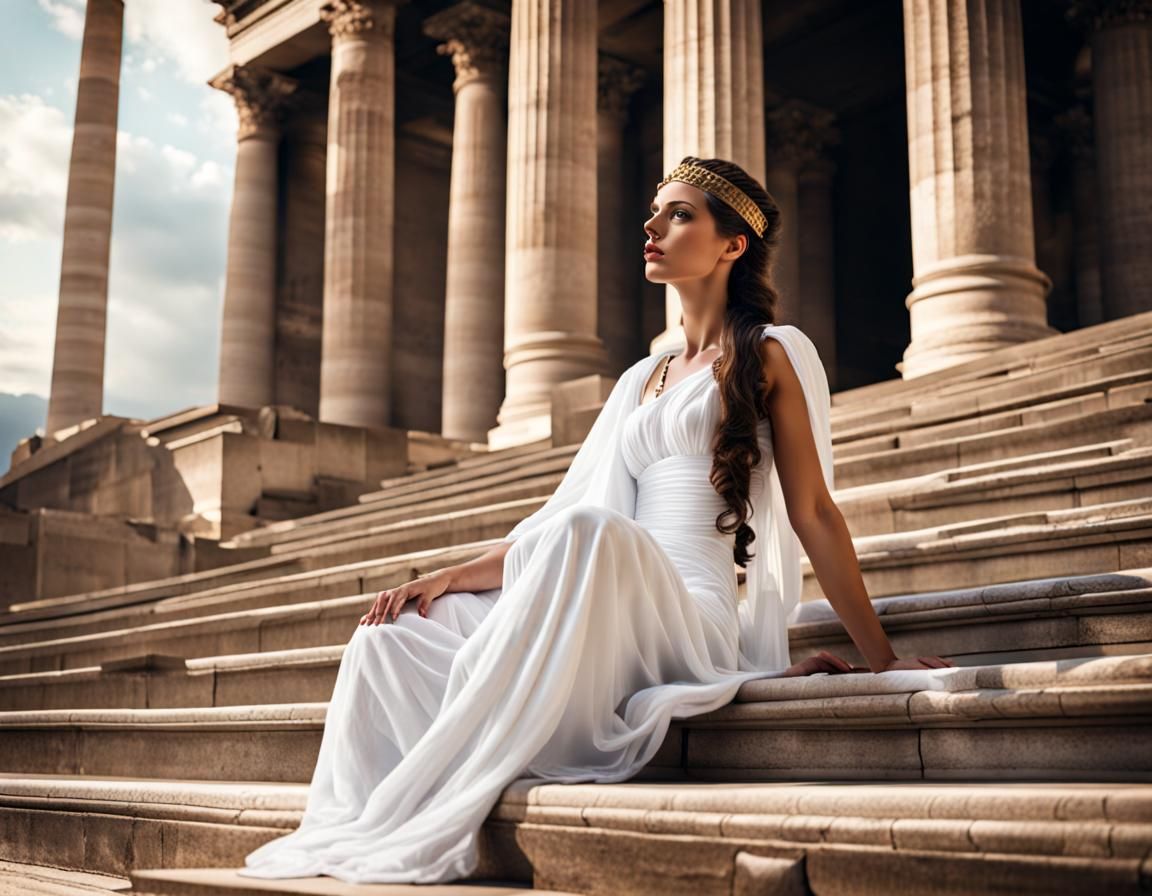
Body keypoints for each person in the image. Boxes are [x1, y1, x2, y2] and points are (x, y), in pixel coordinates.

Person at [238, 156, 955, 885]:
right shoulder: (641, 379)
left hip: (688, 614)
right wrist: (447, 577)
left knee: (591, 532)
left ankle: (466, 762)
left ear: (732, 245)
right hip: (602, 587)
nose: (652, 225)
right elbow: (561, 518)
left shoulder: (772, 353)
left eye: (679, 214)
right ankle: (373, 812)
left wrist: (882, 660)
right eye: (656, 210)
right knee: (392, 637)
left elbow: (814, 513)